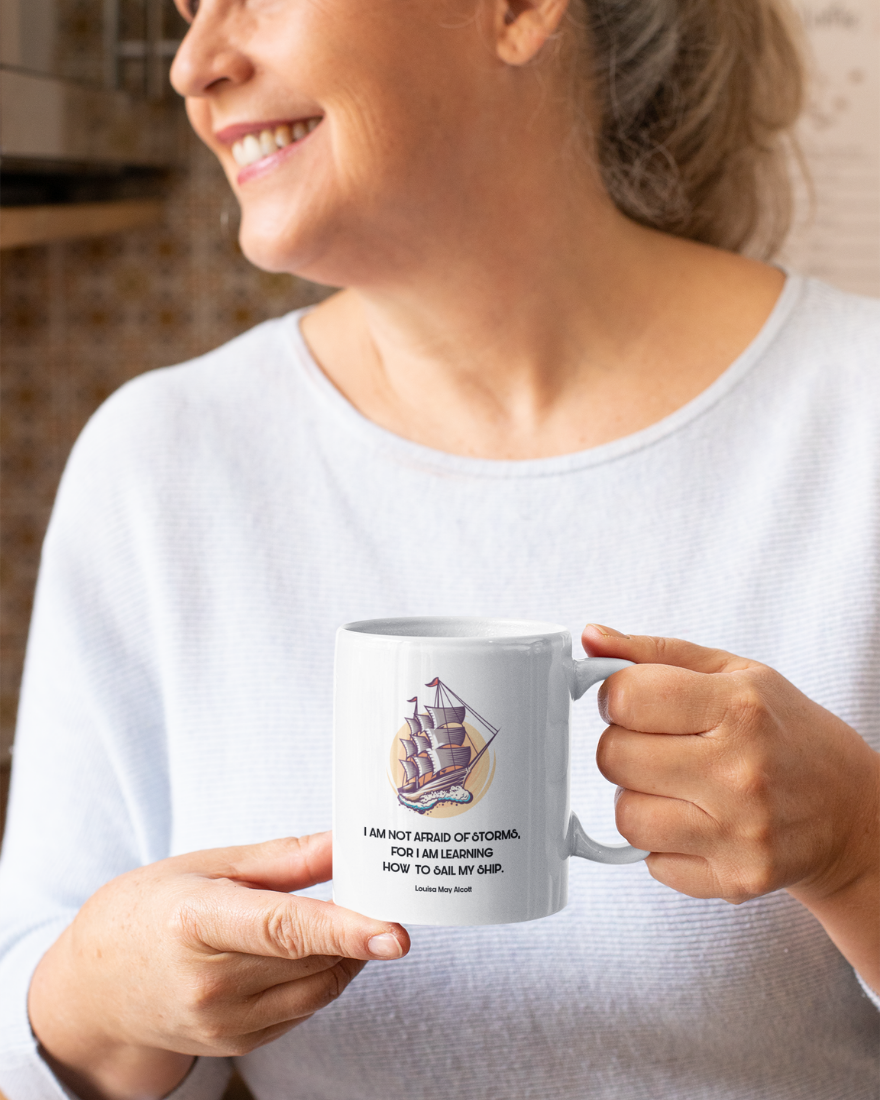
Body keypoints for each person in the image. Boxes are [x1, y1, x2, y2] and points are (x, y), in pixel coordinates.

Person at [0, 0, 877, 1096]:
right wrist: (99, 994)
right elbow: (30, 1010)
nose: (193, 65)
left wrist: (862, 845)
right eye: (187, 6)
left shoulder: (861, 422)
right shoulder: (159, 463)